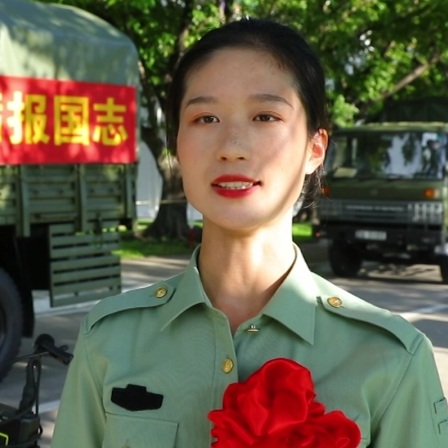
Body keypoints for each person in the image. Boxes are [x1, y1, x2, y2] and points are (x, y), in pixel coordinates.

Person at [51, 18, 448, 448]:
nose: (232, 145)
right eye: (205, 118)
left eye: (266, 116)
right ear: (177, 144)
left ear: (315, 149)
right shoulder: (109, 339)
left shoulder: (391, 357)